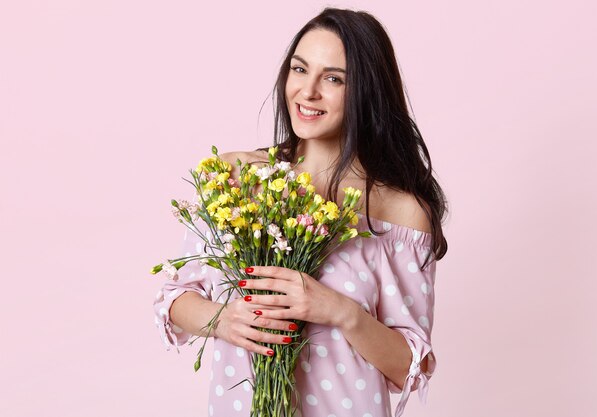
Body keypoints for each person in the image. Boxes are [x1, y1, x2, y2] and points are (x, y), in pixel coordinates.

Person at [153, 7, 448, 417]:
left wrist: (339, 310)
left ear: (367, 92)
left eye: (333, 78)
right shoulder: (238, 180)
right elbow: (174, 298)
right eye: (299, 69)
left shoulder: (400, 214)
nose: (307, 92)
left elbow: (412, 366)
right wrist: (224, 320)